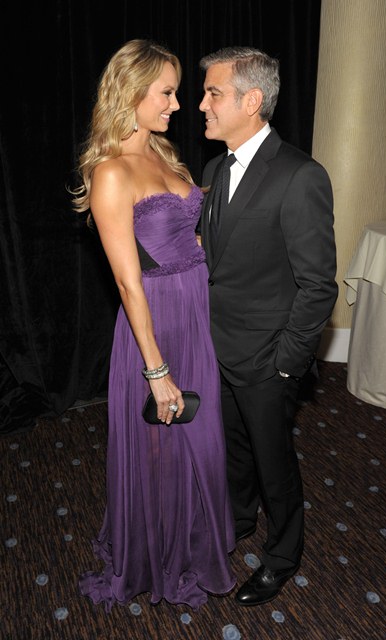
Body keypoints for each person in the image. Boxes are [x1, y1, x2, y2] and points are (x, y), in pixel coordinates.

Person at [71, 39, 236, 611]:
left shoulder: (165, 156)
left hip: (195, 310)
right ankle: (156, 557)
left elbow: (187, 236)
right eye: (166, 92)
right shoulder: (111, 172)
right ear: (132, 92)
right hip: (155, 323)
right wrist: (156, 370)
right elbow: (127, 282)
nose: (177, 104)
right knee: (160, 444)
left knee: (200, 438)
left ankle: (192, 544)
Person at [198, 46, 338, 606]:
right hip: (217, 348)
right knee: (234, 453)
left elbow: (318, 285)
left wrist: (286, 365)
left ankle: (282, 556)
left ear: (251, 100)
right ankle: (237, 521)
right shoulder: (214, 169)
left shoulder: (300, 175)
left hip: (267, 359)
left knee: (273, 463)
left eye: (213, 93)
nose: (202, 105)